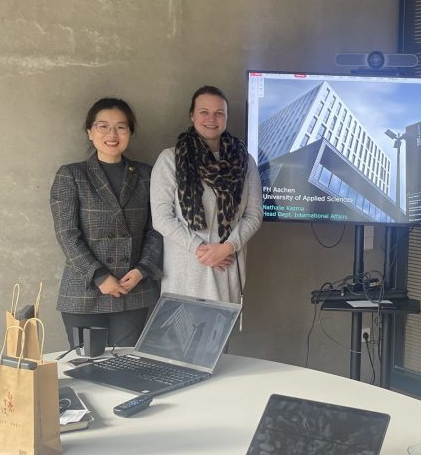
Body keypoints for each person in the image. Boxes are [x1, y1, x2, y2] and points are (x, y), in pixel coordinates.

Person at [50, 97, 163, 347]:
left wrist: (142, 270)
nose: (112, 134)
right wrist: (99, 276)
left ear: (130, 132)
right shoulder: (71, 175)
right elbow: (67, 235)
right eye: (103, 126)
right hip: (85, 291)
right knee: (86, 364)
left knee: (126, 363)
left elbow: (156, 231)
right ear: (90, 132)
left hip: (132, 290)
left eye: (121, 127)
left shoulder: (146, 175)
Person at [150, 85, 263, 303]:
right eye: (204, 112)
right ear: (192, 115)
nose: (212, 119)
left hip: (227, 268)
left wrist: (227, 247)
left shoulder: (245, 162)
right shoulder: (170, 159)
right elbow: (162, 218)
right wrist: (202, 250)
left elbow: (254, 214)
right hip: (185, 274)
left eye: (219, 113)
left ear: (226, 117)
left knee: (222, 325)